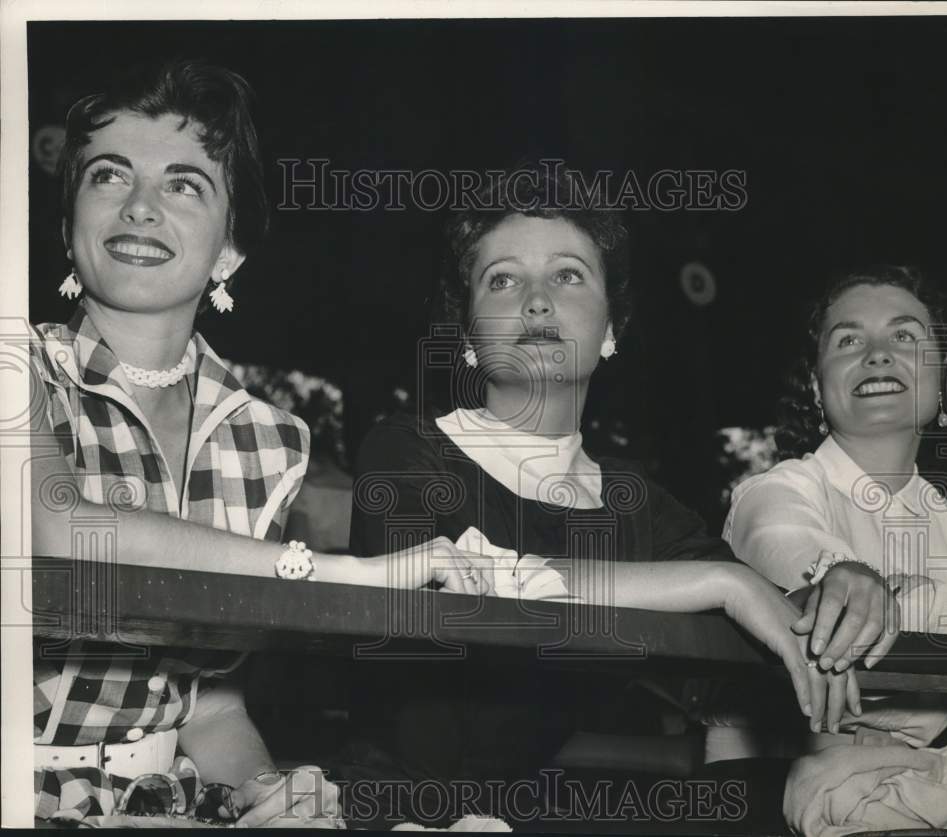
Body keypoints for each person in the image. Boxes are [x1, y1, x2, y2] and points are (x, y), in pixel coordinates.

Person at [29, 58, 487, 826]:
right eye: (109, 176)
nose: (141, 207)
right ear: (69, 223)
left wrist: (271, 790)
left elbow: (208, 710)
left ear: (231, 249)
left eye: (183, 184)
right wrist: (342, 574)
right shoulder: (15, 367)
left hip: (163, 800)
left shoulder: (270, 442)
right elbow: (65, 528)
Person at [344, 165, 822, 827]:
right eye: (503, 279)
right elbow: (453, 584)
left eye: (568, 275)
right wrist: (716, 580)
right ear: (469, 333)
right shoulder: (403, 449)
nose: (537, 301)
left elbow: (763, 630)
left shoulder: (636, 504)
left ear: (610, 326)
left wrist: (839, 586)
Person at [713, 265, 947, 759]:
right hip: (771, 803)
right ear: (816, 388)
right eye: (848, 341)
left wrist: (911, 600)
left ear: (943, 381)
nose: (878, 355)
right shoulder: (773, 493)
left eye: (904, 335)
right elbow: (783, 542)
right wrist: (840, 577)